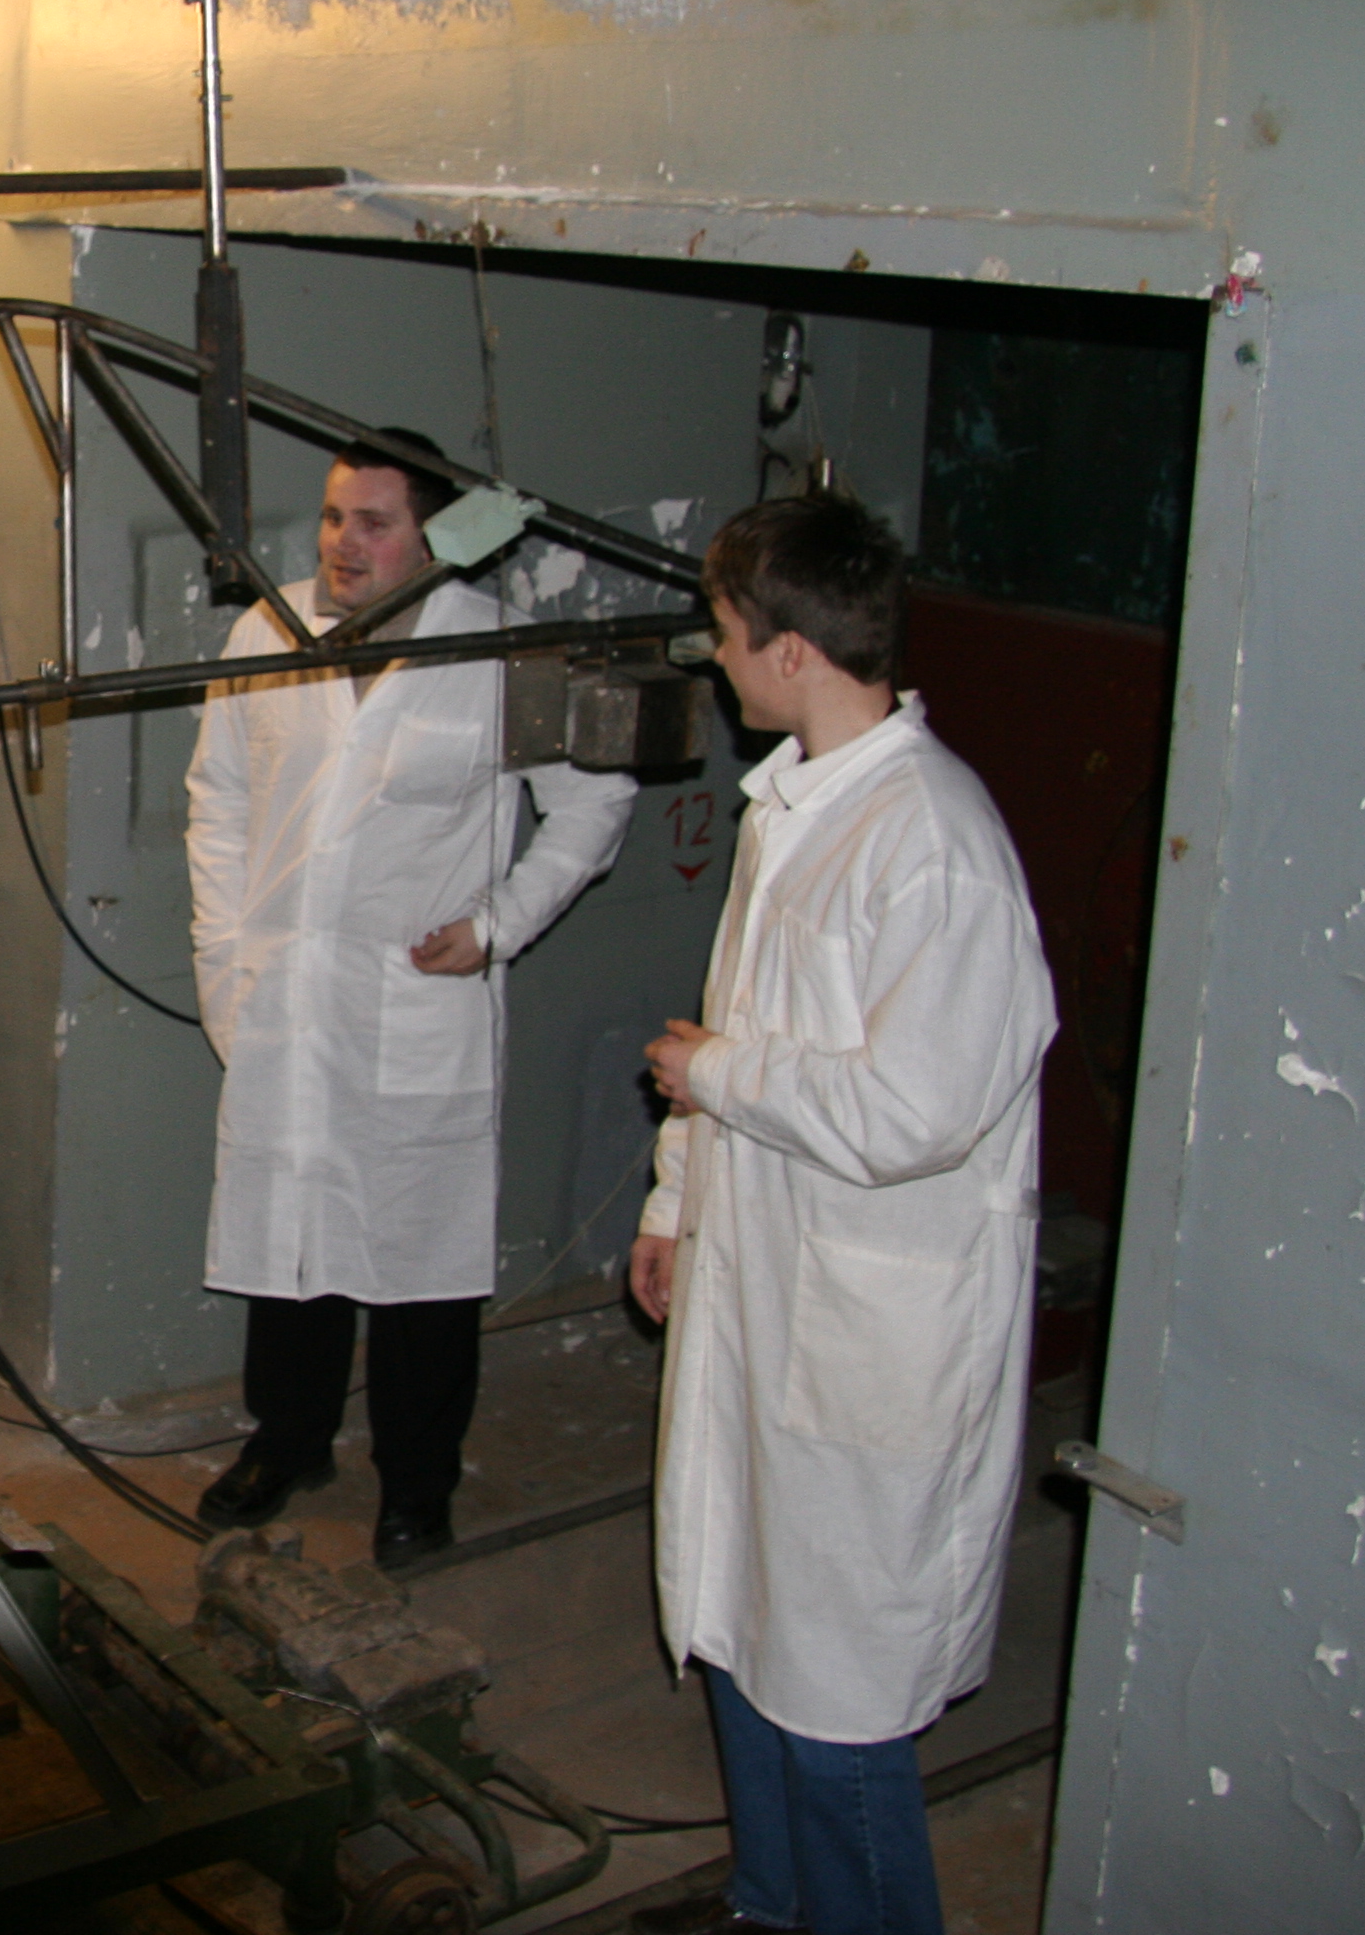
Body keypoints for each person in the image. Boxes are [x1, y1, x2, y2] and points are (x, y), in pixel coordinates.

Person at [627, 493, 1054, 1935]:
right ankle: (767, 1905)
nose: (714, 653)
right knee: (746, 1626)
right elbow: (743, 1020)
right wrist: (678, 1195)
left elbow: (912, 1111)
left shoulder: (932, 843)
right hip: (763, 1286)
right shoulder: (797, 807)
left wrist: (717, 1077)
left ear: (794, 649)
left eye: (728, 632)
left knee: (839, 1693)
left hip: (866, 1337)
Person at [185, 428, 638, 1566]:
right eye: (336, 515)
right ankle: (286, 1442)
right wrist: (223, 968)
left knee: (421, 1266)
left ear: (437, 539)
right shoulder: (267, 633)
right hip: (286, 995)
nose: (344, 541)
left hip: (413, 1004)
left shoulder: (499, 655)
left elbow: (593, 803)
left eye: (374, 522)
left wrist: (496, 927)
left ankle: (417, 1483)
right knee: (291, 1244)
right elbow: (220, 808)